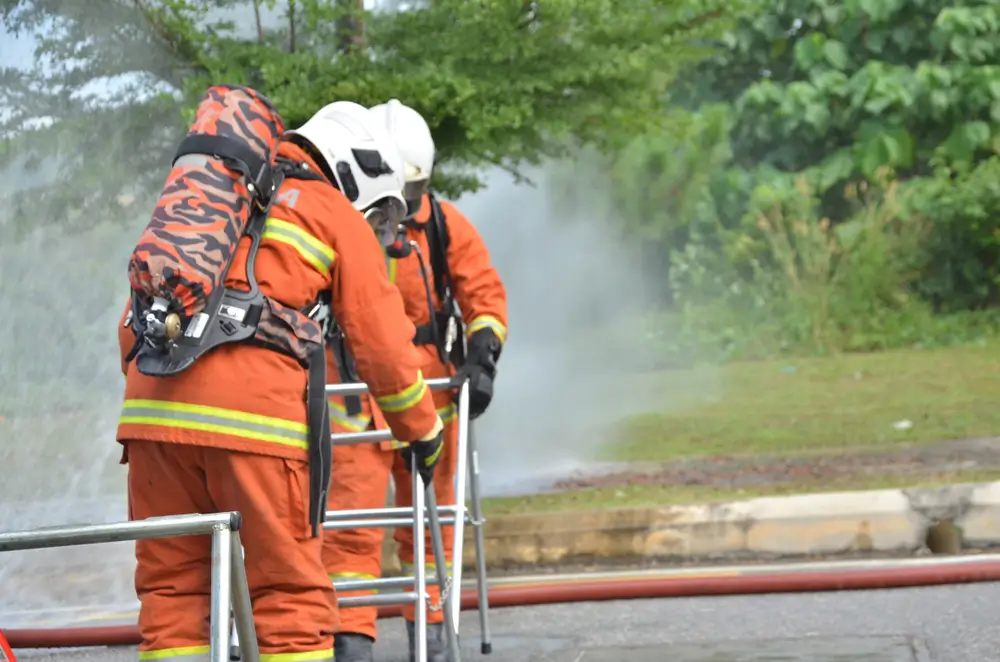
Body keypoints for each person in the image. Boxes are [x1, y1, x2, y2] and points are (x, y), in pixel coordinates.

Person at [116, 99, 445, 662]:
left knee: (173, 594)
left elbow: (132, 329)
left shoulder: (211, 201)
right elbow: (383, 343)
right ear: (353, 172)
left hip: (151, 422)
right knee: (287, 594)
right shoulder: (329, 211)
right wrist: (422, 430)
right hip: (256, 428)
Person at [324, 99, 508, 662]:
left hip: (432, 397)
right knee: (351, 527)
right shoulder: (338, 225)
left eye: (413, 196)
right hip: (354, 399)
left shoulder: (446, 228)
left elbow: (484, 295)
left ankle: (431, 641)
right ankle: (350, 643)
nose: (404, 211)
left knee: (431, 531)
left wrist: (482, 355)